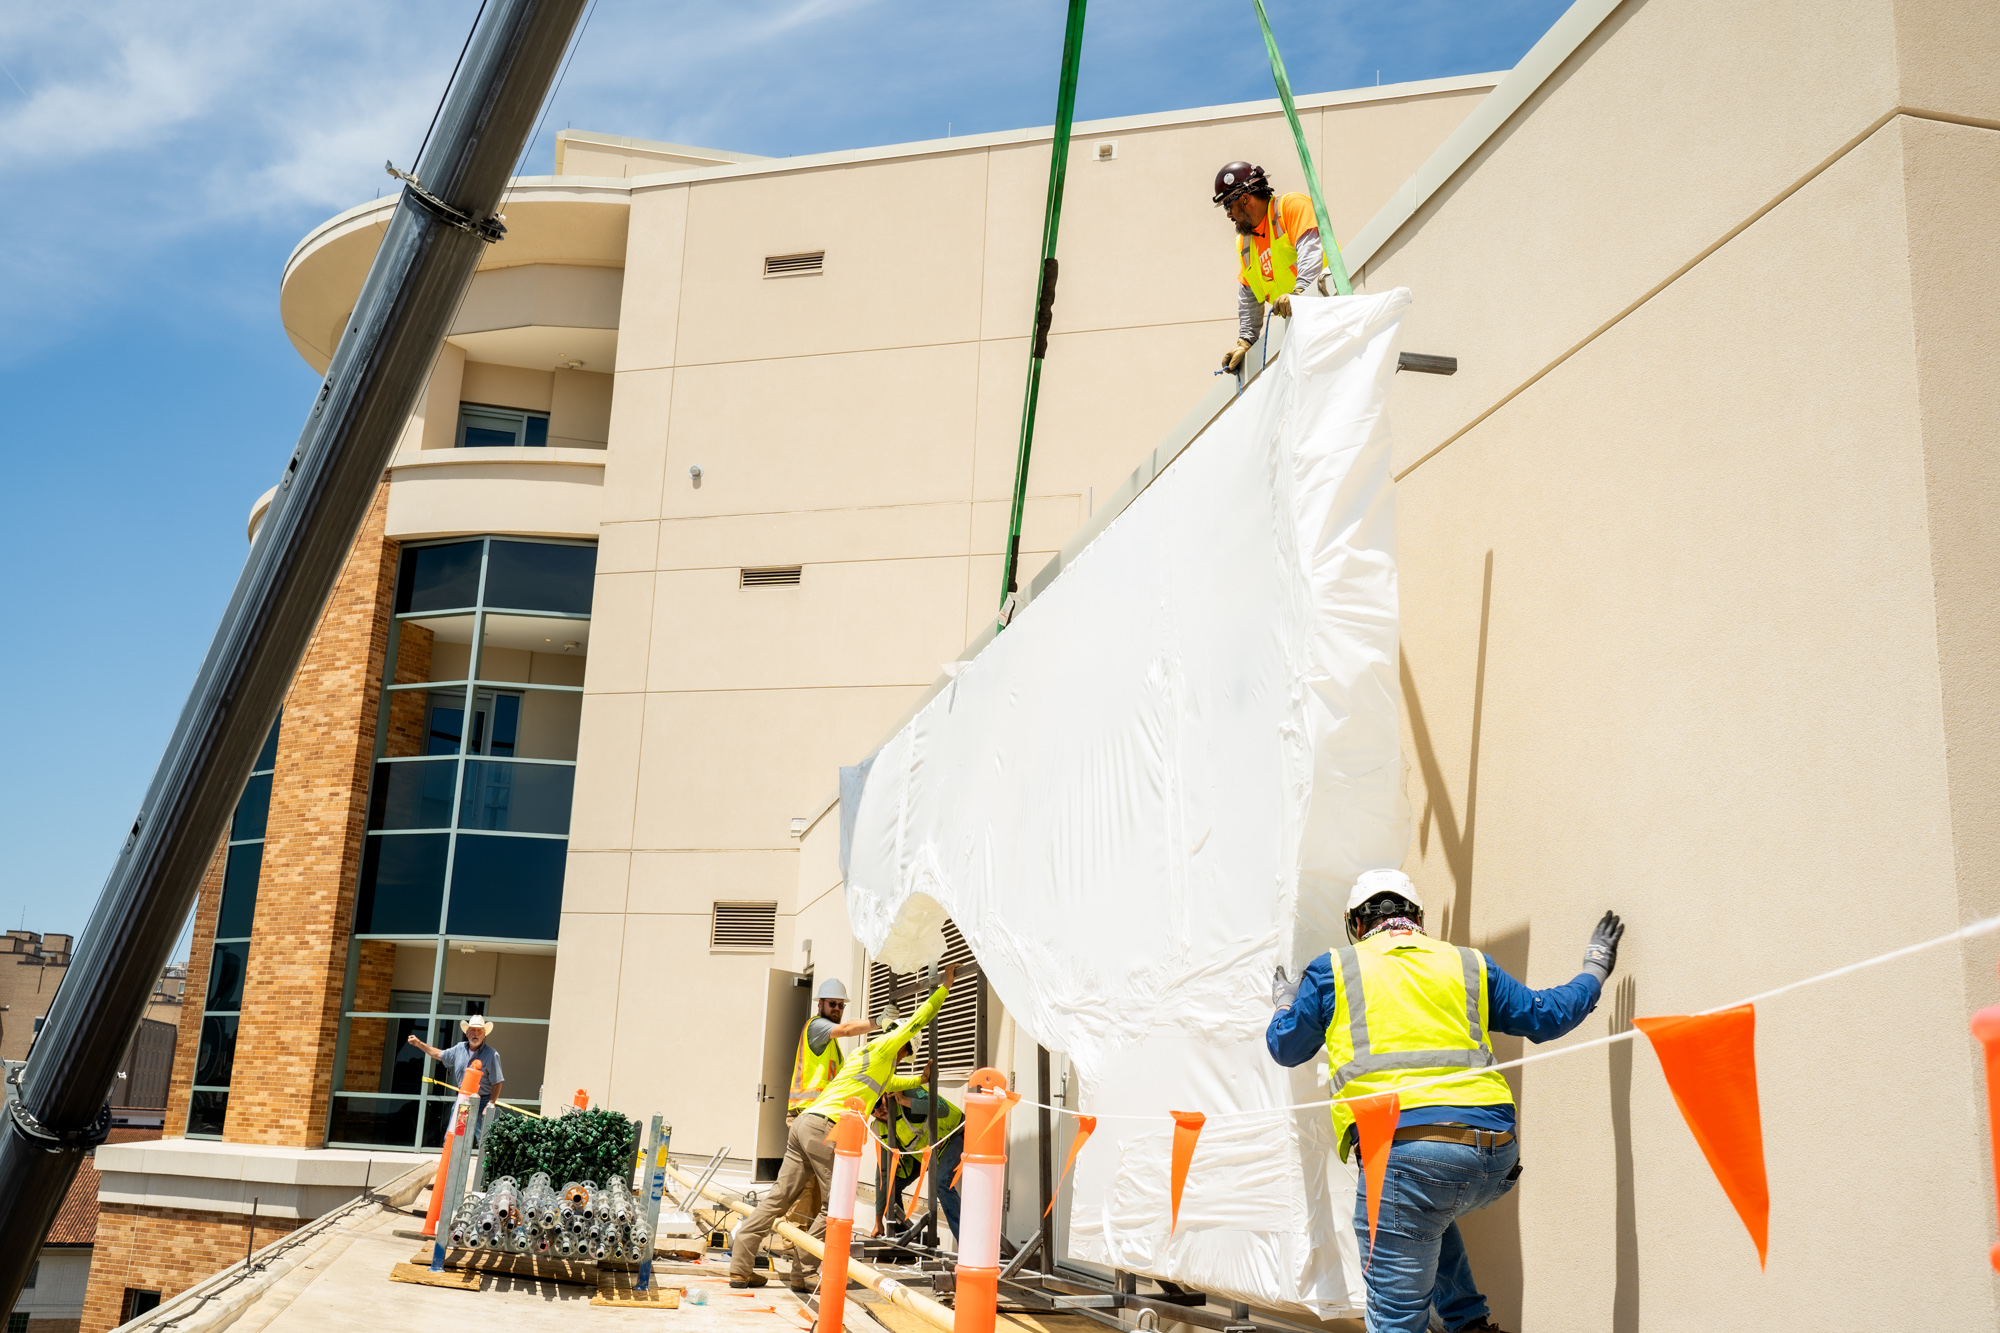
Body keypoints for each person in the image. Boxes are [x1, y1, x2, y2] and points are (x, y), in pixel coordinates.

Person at [1266, 870, 1624, 1333]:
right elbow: (1547, 1015)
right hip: (1492, 1159)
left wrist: (1283, 1002)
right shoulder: (1467, 963)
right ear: (1417, 917)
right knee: (1425, 1211)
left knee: (1397, 1313)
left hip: (1407, 1156)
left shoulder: (1334, 969)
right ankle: (1468, 1322)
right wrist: (1594, 967)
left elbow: (1286, 1048)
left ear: (1355, 925)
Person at [730, 964, 958, 1289]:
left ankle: (740, 1267)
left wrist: (919, 1078)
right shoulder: (882, 1048)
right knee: (834, 1204)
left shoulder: (869, 1059)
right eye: (906, 1052)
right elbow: (917, 1022)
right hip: (824, 1128)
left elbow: (890, 1082)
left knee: (778, 1199)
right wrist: (944, 989)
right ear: (902, 1046)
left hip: (803, 1125)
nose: (904, 1057)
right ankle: (804, 1273)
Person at [775, 977, 877, 1278]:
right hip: (805, 1118)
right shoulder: (817, 1028)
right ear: (820, 1004)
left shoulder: (833, 1048)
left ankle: (801, 1251)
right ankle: (794, 1248)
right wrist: (878, 1022)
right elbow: (846, 1030)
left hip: (820, 1122)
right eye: (832, 1004)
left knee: (818, 1193)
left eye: (840, 1005)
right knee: (804, 1190)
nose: (837, 1009)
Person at [1212, 161, 1328, 375]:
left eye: (1228, 206)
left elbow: (1312, 251)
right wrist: (1246, 340)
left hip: (1331, 311)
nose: (1228, 215)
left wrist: (1300, 292)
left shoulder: (1291, 207)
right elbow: (1248, 294)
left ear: (1245, 199)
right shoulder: (1245, 243)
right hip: (1303, 332)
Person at [868, 1058, 964, 1242]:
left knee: (941, 1183)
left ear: (886, 1094)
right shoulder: (880, 1127)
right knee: (890, 1186)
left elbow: (942, 1108)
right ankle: (902, 1237)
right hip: (927, 1154)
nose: (878, 1112)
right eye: (872, 1110)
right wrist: (878, 1219)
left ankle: (967, 1245)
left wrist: (905, 1101)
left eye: (878, 1104)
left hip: (952, 1136)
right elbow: (883, 1174)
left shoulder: (908, 1091)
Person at [408, 1014, 504, 1143]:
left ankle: (485, 1162)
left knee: (484, 1138)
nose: (475, 1034)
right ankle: (448, 1160)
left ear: (484, 1034)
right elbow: (438, 1054)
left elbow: (497, 1082)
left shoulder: (492, 1054)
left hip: (482, 1100)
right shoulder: (459, 1048)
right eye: (472, 1030)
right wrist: (419, 1044)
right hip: (463, 1099)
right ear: (467, 1033)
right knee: (452, 1135)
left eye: (479, 1031)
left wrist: (490, 1104)